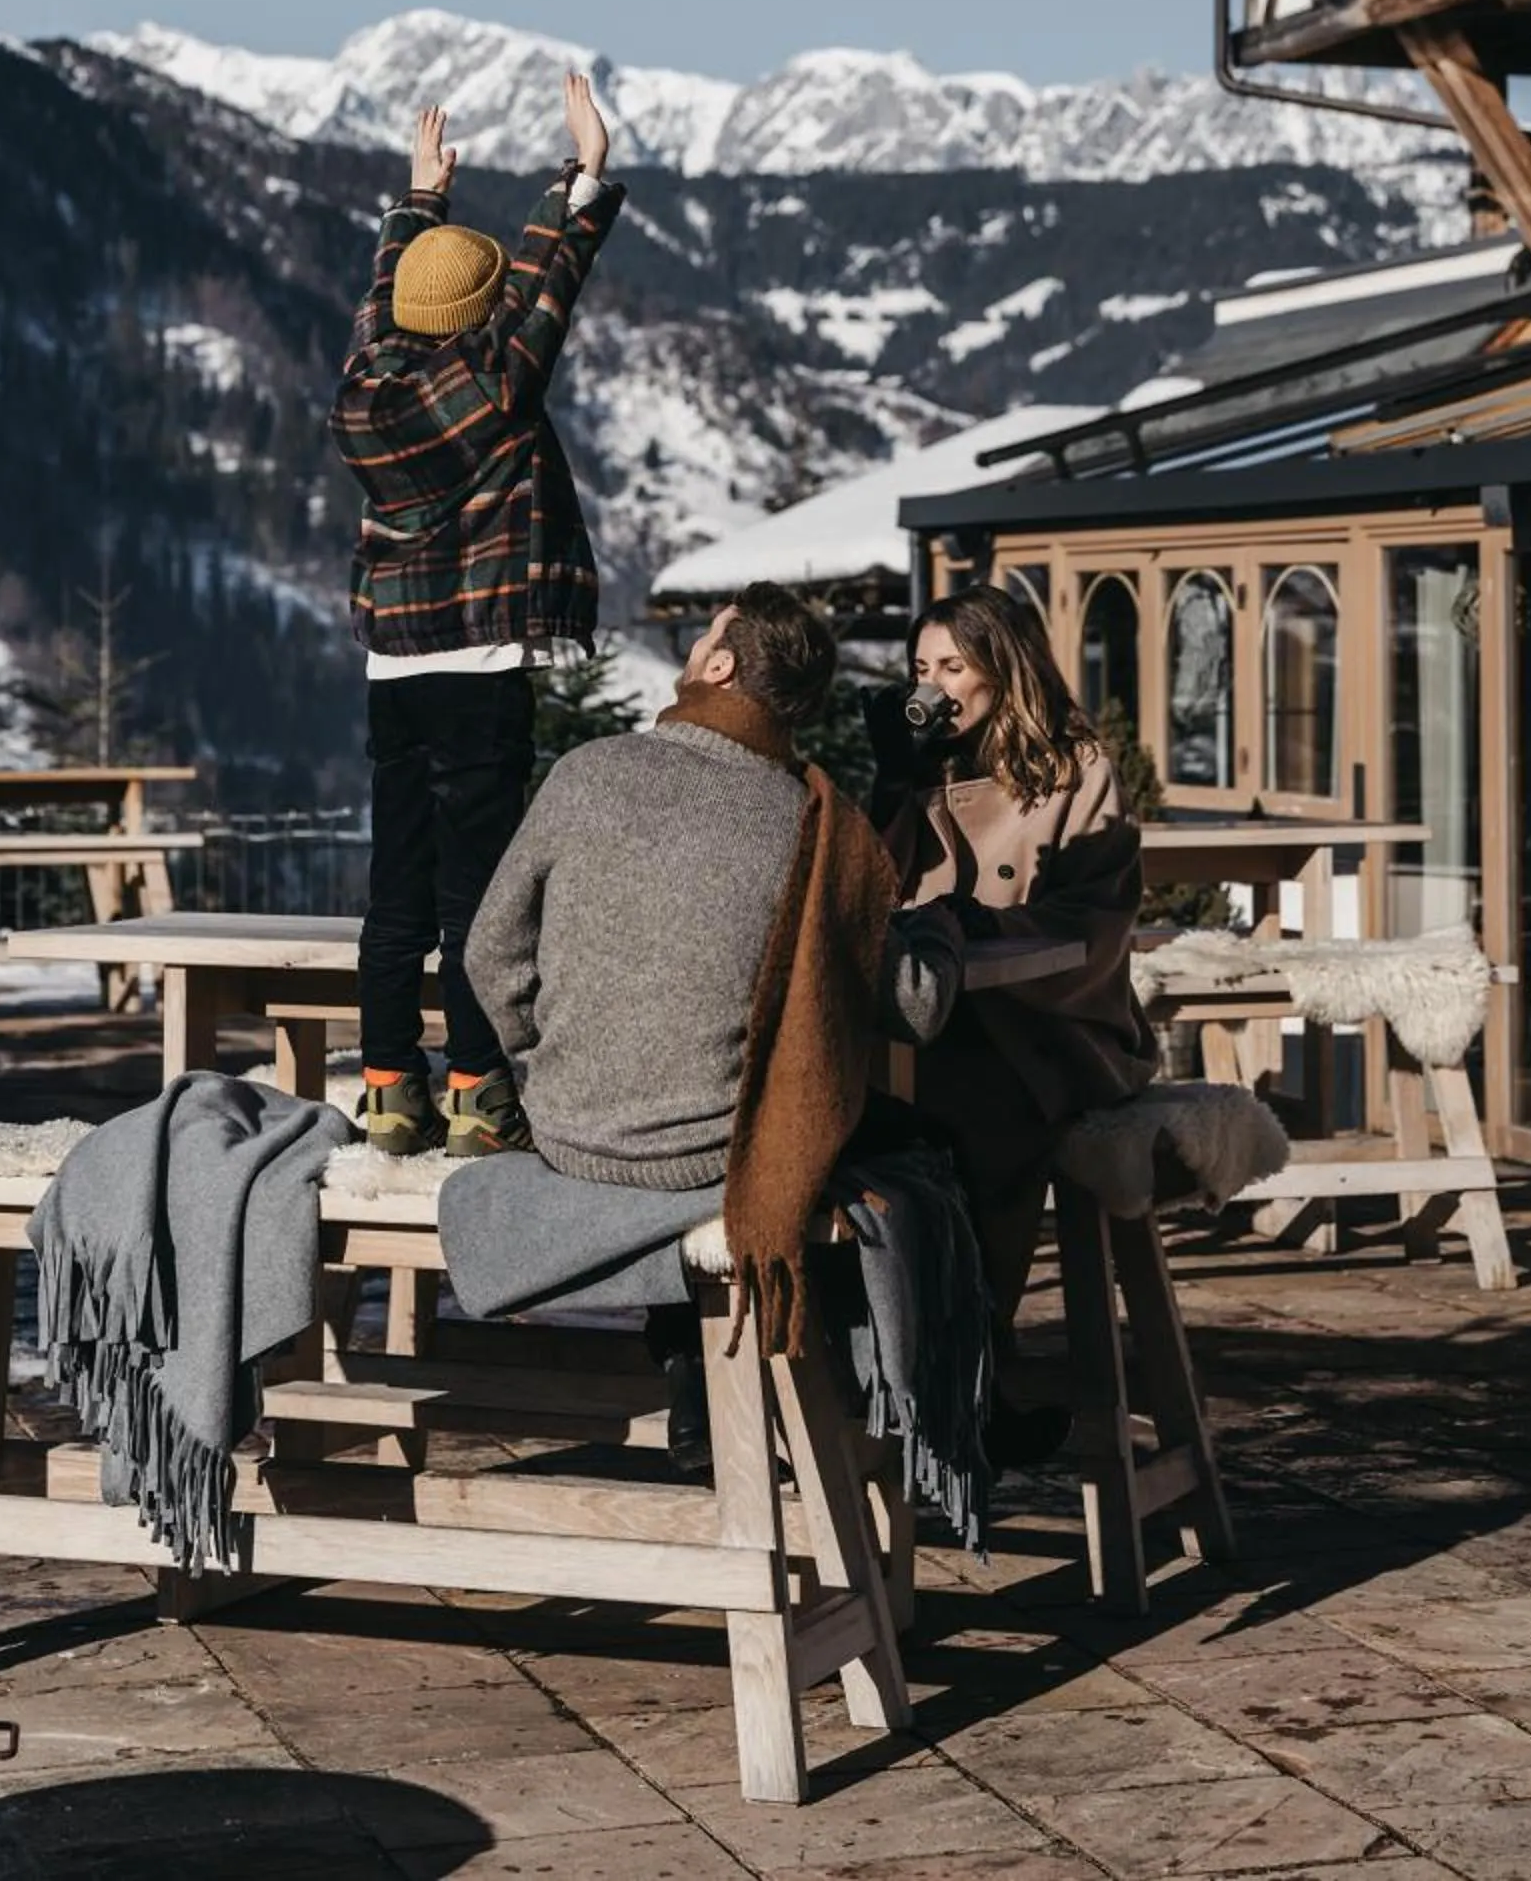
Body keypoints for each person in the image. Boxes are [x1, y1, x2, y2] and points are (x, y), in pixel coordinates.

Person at [460, 581, 897, 1466]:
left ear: (722, 667)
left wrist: (541, 1062)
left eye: (705, 638)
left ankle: (696, 1378)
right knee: (885, 1144)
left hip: (571, 1134)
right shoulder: (812, 827)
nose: (694, 650)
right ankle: (852, 1407)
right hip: (708, 1156)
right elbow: (913, 1006)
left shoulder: (590, 769)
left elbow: (487, 954)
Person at [330, 71, 623, 1160]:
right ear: (479, 316)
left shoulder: (365, 386)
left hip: (392, 669)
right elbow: (550, 276)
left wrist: (417, 210)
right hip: (480, 662)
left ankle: (387, 1088)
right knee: (478, 900)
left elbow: (382, 301)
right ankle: (475, 1093)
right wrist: (581, 176)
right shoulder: (493, 382)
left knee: (393, 893)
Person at [870, 584, 1156, 1397]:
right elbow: (862, 893)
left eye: (954, 667)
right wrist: (893, 789)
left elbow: (1096, 918)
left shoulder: (1079, 770)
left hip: (1047, 1028)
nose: (933, 687)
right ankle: (868, 1355)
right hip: (924, 1018)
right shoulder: (921, 770)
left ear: (1005, 668)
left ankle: (969, 1356)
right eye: (921, 667)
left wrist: (984, 930)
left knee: (974, 1107)